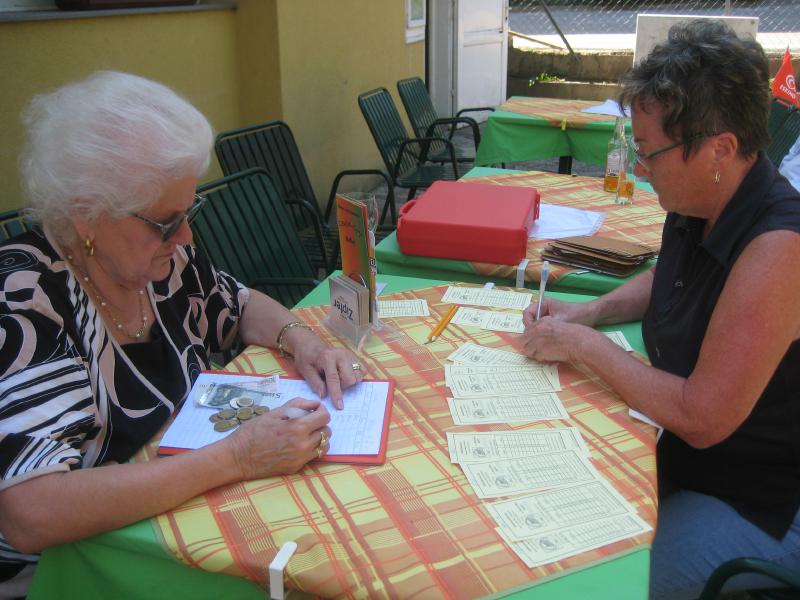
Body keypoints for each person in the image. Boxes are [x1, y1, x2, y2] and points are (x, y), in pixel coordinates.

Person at [0, 71, 365, 596]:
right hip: (84, 570)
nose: (187, 236)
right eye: (167, 221)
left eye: (189, 212)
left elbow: (239, 304)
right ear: (86, 215)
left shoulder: (160, 261)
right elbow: (31, 510)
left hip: (180, 520)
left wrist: (302, 341)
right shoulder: (24, 299)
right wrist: (237, 457)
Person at [521, 21, 800, 600]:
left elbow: (702, 415)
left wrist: (584, 346)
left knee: (598, 581)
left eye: (649, 153)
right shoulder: (702, 198)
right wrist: (588, 313)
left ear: (720, 149)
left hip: (759, 496)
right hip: (684, 454)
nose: (639, 168)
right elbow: (665, 277)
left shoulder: (780, 249)